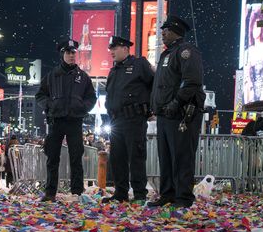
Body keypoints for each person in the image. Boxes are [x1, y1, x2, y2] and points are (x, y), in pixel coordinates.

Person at [148, 15, 204, 209]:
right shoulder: (167, 54)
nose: (162, 33)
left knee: (181, 157)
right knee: (166, 157)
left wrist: (176, 102)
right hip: (164, 115)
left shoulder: (187, 51)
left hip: (181, 115)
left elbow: (192, 82)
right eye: (163, 30)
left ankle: (183, 197)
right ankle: (167, 194)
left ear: (177, 31)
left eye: (167, 30)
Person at [36, 39, 97, 201]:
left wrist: (83, 108)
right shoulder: (52, 76)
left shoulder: (82, 77)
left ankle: (76, 192)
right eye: (68, 52)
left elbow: (91, 97)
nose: (71, 56)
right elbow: (40, 95)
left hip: (75, 121)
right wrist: (49, 105)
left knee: (76, 157)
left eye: (73, 53)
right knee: (52, 157)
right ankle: (50, 192)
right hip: (56, 121)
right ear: (62, 54)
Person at [103, 35, 154, 203]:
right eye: (110, 49)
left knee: (136, 157)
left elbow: (155, 85)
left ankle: (140, 193)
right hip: (116, 121)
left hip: (134, 118)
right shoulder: (114, 70)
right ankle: (121, 193)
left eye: (114, 48)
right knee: (118, 158)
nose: (111, 52)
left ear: (125, 48)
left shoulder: (140, 64)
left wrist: (152, 108)